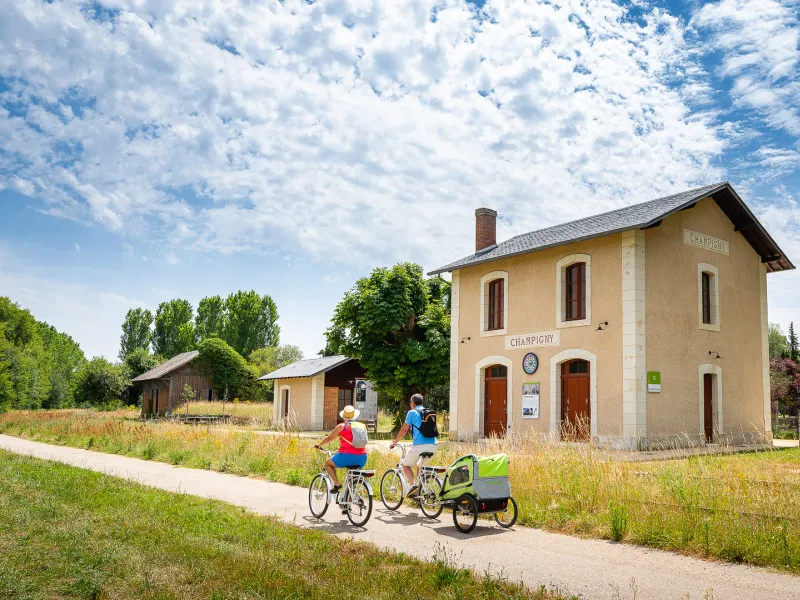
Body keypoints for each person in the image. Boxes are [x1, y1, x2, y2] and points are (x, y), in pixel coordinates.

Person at [389, 393, 437, 497]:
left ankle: (413, 486)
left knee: (405, 465)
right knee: (419, 466)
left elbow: (404, 430)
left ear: (412, 403)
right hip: (433, 445)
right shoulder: (427, 412)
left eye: (410, 402)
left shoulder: (412, 412)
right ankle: (421, 491)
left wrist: (394, 443)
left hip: (419, 446)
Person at [314, 405, 368, 495]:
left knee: (328, 463)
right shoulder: (362, 426)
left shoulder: (341, 426)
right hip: (363, 457)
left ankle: (337, 484)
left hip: (346, 456)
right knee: (352, 476)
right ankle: (350, 497)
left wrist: (319, 445)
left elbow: (329, 438)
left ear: (344, 416)